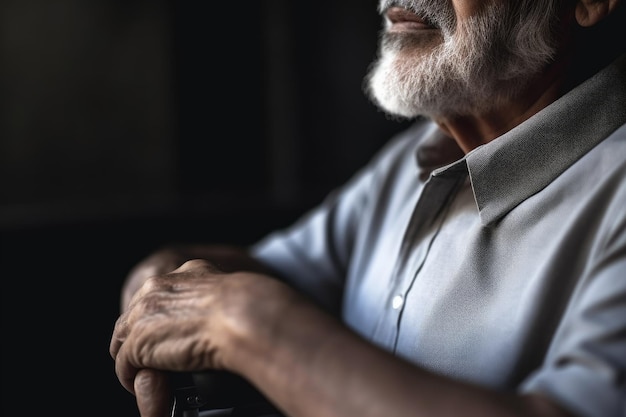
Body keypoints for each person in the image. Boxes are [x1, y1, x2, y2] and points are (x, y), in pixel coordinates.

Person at [110, 0, 626, 416]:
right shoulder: (413, 158)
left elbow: (244, 308)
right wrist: (162, 290)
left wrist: (251, 321)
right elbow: (261, 271)